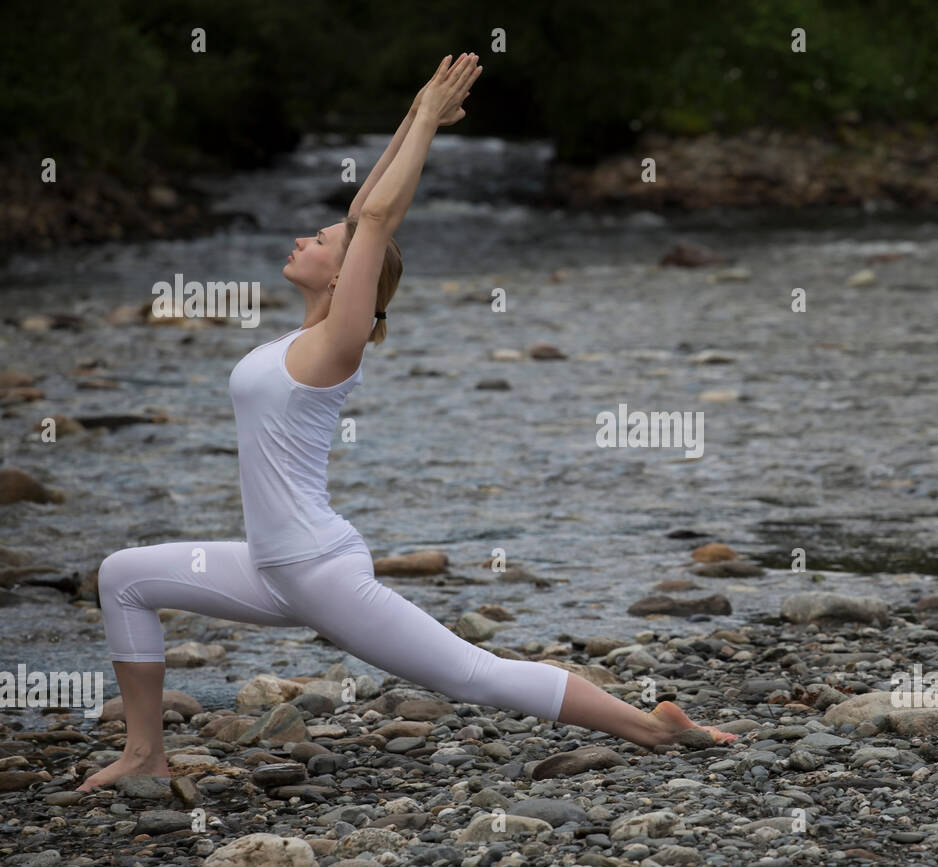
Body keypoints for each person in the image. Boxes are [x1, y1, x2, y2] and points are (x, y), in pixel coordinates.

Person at [79, 53, 736, 793]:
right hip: (271, 566)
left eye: (322, 242)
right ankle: (143, 754)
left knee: (473, 676)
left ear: (344, 276)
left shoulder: (337, 345)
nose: (308, 238)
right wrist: (416, 107)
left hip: (315, 570)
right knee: (123, 577)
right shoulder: (302, 337)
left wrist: (426, 120)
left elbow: (377, 220)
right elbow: (367, 213)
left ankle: (651, 726)